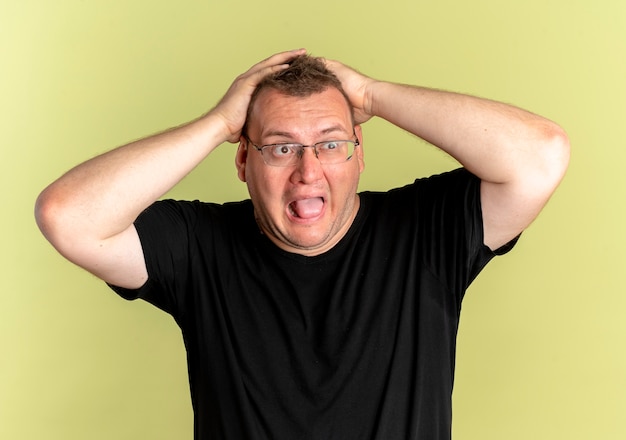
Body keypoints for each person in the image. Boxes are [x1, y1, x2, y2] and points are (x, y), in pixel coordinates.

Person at [35, 49, 570, 439]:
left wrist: (370, 95)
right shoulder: (200, 248)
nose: (307, 171)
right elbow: (68, 217)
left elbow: (541, 155)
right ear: (243, 162)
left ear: (360, 155)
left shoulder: (425, 233)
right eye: (281, 147)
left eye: (331, 144)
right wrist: (220, 122)